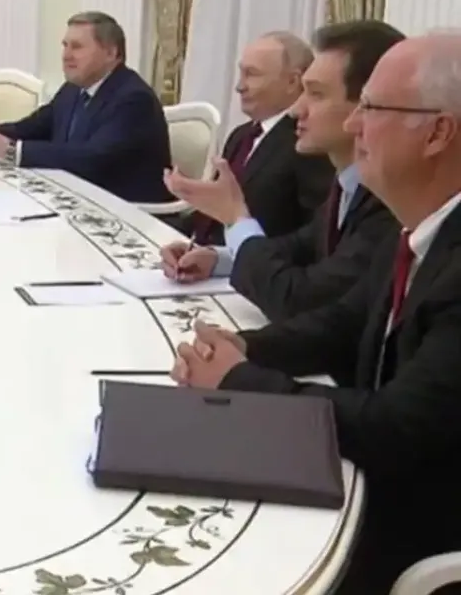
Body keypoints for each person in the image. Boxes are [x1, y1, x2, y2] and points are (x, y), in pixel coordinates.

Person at [170, 32, 461, 594]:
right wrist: (244, 348)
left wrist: (242, 381)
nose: (354, 124)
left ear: (438, 133)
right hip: (373, 483)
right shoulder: (416, 225)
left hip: (416, 531)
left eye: (372, 108)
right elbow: (343, 323)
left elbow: (396, 427)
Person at [159, 21, 403, 321]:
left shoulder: (390, 201)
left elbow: (299, 298)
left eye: (316, 94)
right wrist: (218, 258)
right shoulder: (348, 186)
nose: (296, 110)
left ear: (365, 108)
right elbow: (300, 246)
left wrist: (236, 218)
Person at [0, 11, 173, 204]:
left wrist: (11, 150)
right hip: (78, 199)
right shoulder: (73, 89)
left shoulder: (134, 99)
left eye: (77, 47)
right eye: (65, 46)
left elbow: (91, 159)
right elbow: (33, 127)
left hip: (129, 214)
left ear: (111, 53)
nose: (66, 56)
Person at [178, 32, 333, 245]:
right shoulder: (241, 136)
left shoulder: (308, 142)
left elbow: (314, 235)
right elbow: (216, 213)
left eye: (251, 74)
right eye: (241, 73)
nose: (239, 86)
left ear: (292, 81)